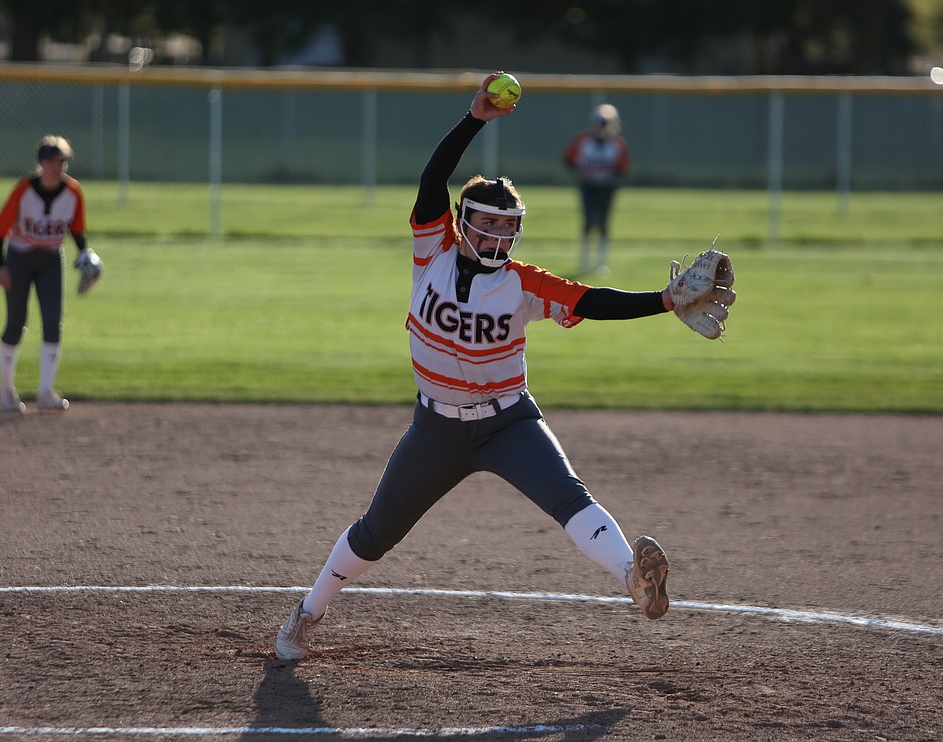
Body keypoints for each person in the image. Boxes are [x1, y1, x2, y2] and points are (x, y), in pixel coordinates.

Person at [276, 73, 675, 662]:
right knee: (376, 532)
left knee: (569, 497)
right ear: (463, 222)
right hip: (435, 430)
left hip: (508, 422)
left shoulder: (521, 282)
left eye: (508, 227)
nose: (499, 236)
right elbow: (432, 178)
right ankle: (306, 614)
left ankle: (634, 581)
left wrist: (661, 302)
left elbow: (590, 300)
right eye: (488, 224)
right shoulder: (431, 247)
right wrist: (475, 119)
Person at [0, 135, 93, 413]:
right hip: (19, 258)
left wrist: (85, 254)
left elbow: (76, 229)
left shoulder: (73, 192)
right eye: (51, 161)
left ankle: (46, 392)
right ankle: (5, 391)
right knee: (15, 322)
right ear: (40, 163)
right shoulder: (24, 189)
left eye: (61, 162)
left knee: (52, 322)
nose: (57, 167)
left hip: (51, 259)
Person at [562, 103, 630, 274]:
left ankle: (601, 262)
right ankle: (585, 260)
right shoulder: (583, 140)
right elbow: (568, 159)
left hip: (607, 188)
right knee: (588, 221)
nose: (602, 126)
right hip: (589, 186)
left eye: (606, 123)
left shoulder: (617, 144)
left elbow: (623, 168)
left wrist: (610, 177)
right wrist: (581, 172)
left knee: (604, 222)